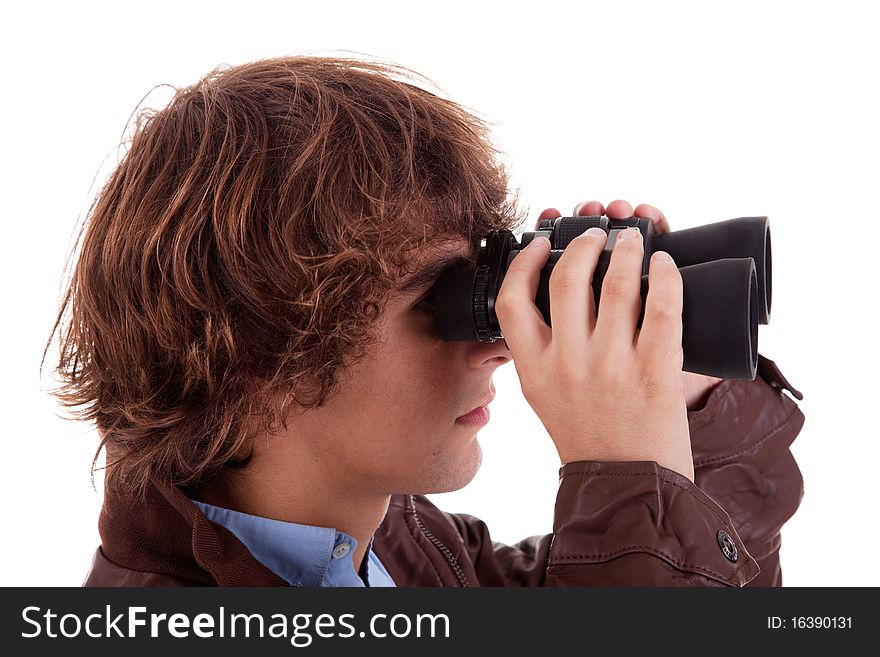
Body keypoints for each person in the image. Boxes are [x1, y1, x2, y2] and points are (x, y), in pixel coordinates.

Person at [45, 56, 805, 587]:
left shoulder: (405, 552)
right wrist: (629, 477)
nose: (498, 346)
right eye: (437, 300)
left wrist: (681, 397)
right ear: (260, 357)